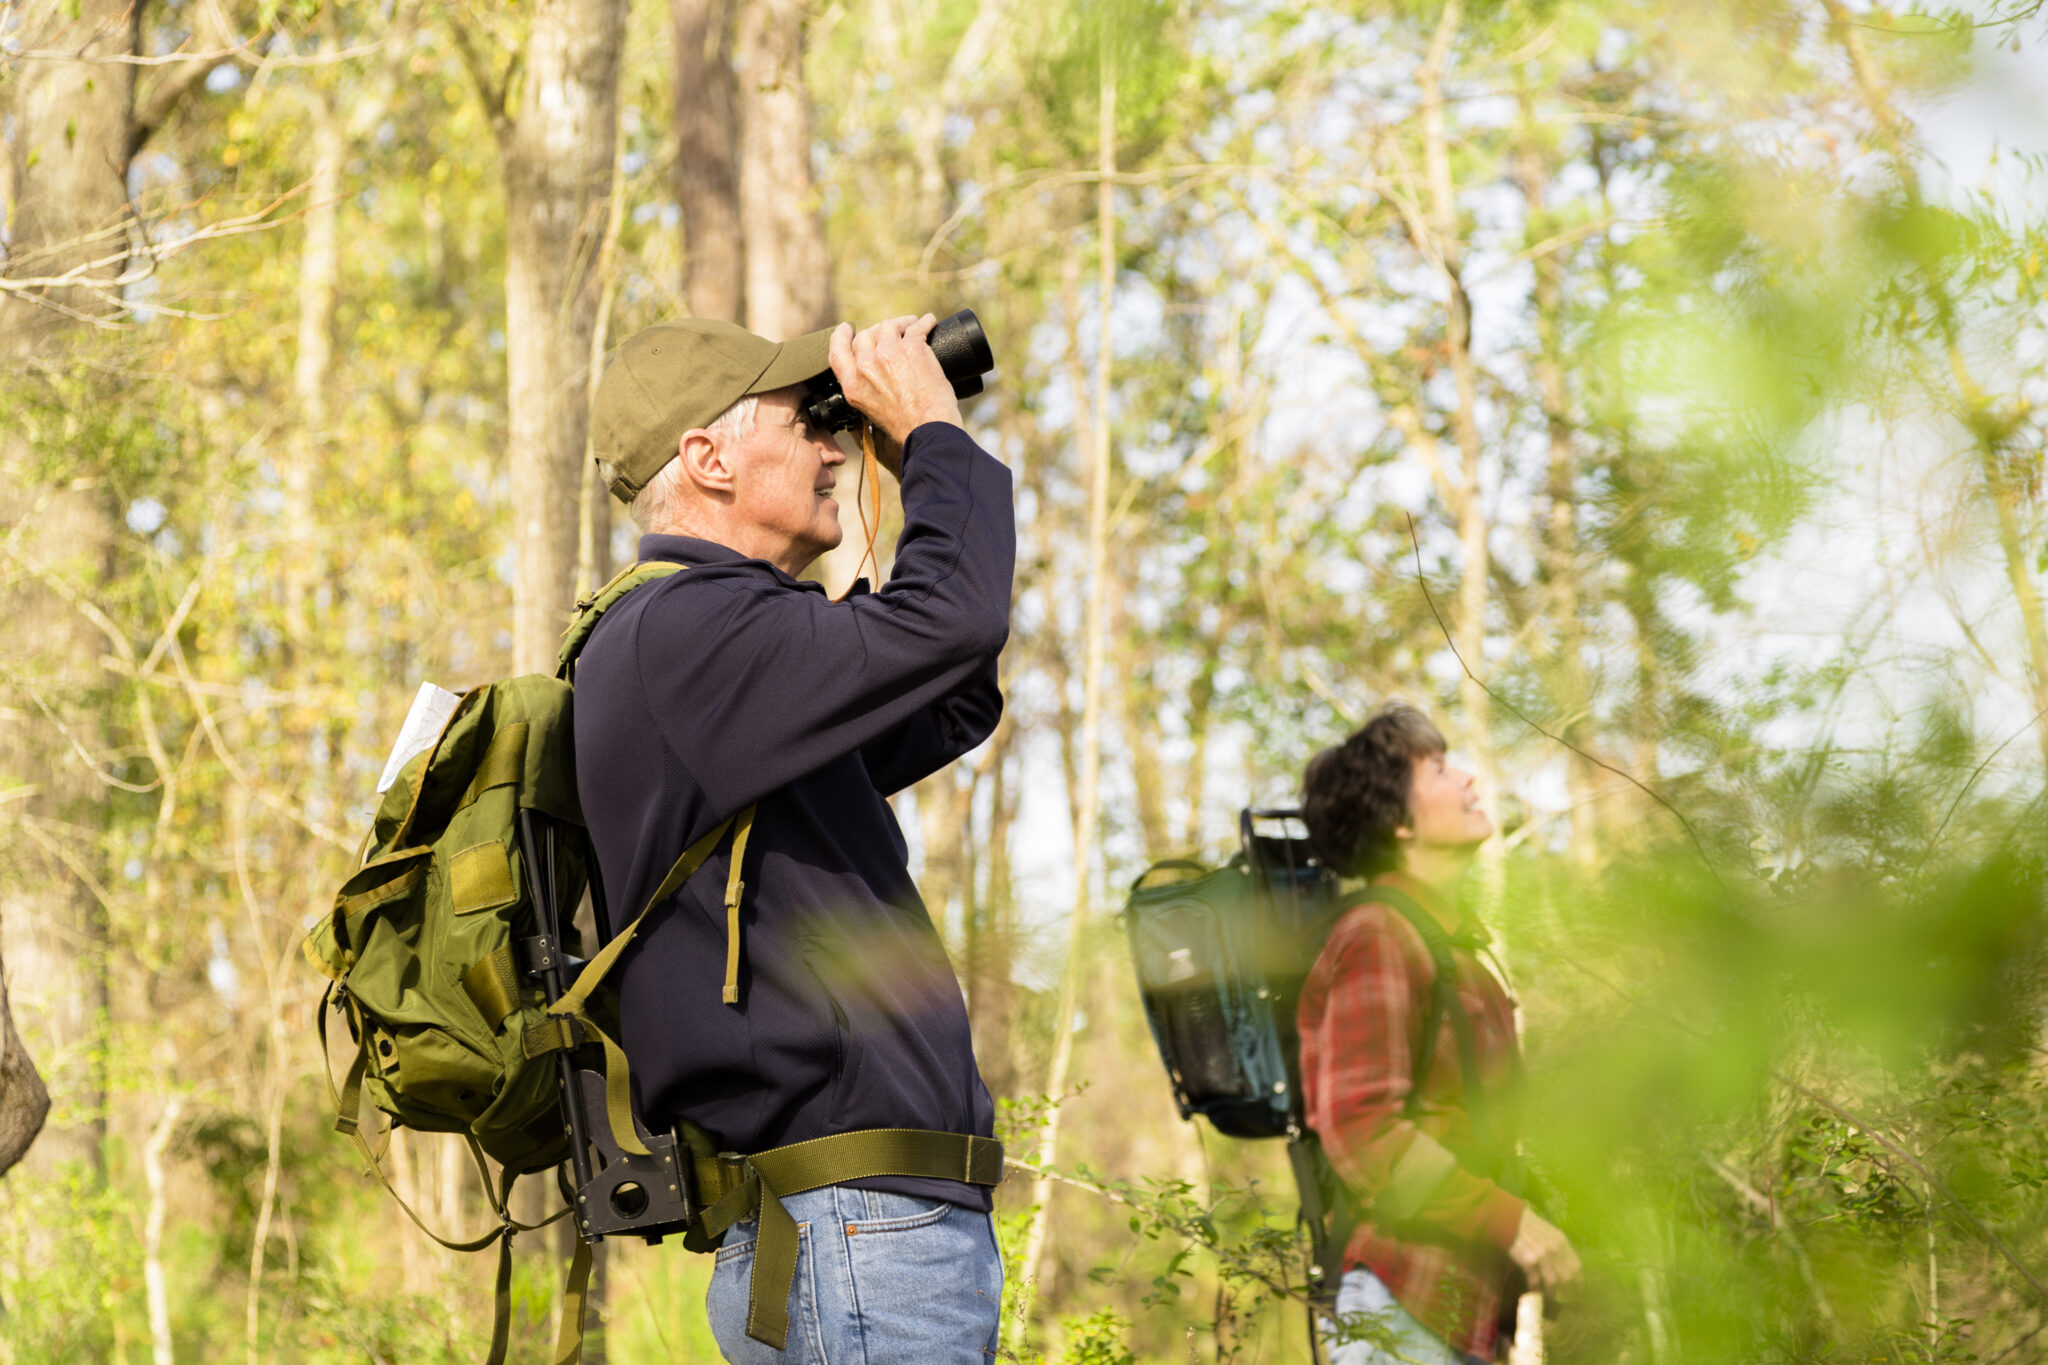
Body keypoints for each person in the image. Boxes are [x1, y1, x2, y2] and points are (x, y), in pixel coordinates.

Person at [575, 313, 1014, 1363]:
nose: (833, 447)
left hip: (846, 1234)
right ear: (708, 458)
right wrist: (935, 439)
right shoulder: (686, 629)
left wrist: (914, 459)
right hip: (853, 1233)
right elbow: (949, 624)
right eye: (806, 422)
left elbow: (947, 689)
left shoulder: (708, 637)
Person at [1297, 703, 1580, 1364]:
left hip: (1454, 1316)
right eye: (1439, 767)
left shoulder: (1449, 946)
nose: (1468, 778)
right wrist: (1510, 1222)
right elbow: (1363, 1128)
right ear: (1398, 821)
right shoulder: (1378, 934)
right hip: (1400, 1308)